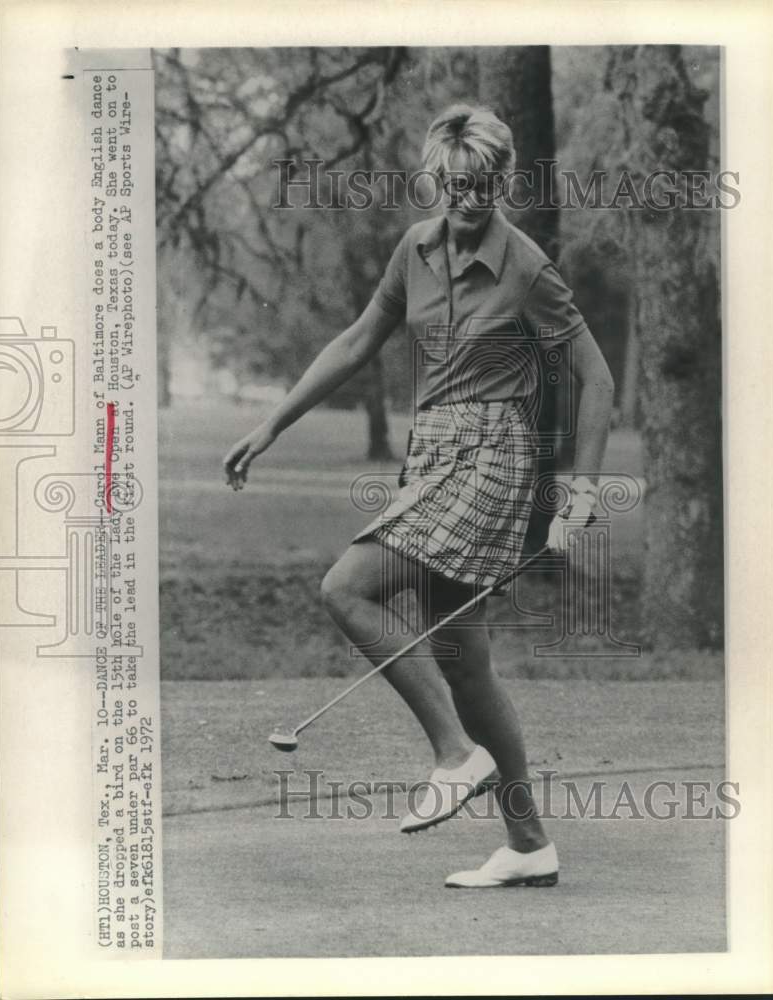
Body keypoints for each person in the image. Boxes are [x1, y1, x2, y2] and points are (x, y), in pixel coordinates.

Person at [224, 105, 614, 888]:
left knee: (347, 586)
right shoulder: (415, 248)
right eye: (455, 184)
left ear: (503, 181)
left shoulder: (528, 268)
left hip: (494, 459)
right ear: (440, 179)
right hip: (432, 453)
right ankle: (530, 843)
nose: (468, 198)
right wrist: (272, 424)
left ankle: (452, 754)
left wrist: (584, 490)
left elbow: (596, 377)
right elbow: (358, 339)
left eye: (484, 185)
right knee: (463, 659)